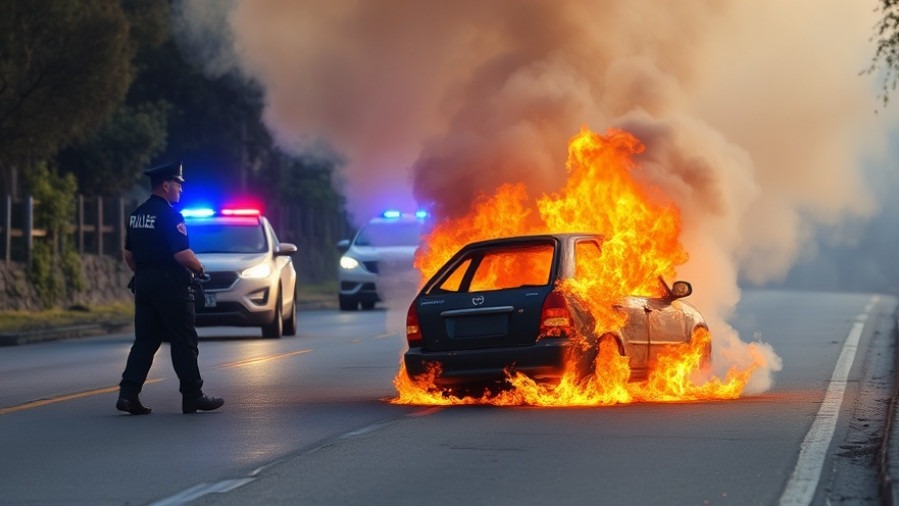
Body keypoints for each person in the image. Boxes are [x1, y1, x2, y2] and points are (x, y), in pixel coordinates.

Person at [116, 161, 224, 415]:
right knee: (184, 340)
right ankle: (193, 395)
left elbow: (128, 254)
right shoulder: (170, 215)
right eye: (178, 184)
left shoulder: (137, 215)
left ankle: (128, 394)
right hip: (171, 286)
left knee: (145, 340)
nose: (180, 190)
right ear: (166, 185)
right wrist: (200, 269)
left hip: (144, 284)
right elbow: (182, 254)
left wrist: (145, 273)